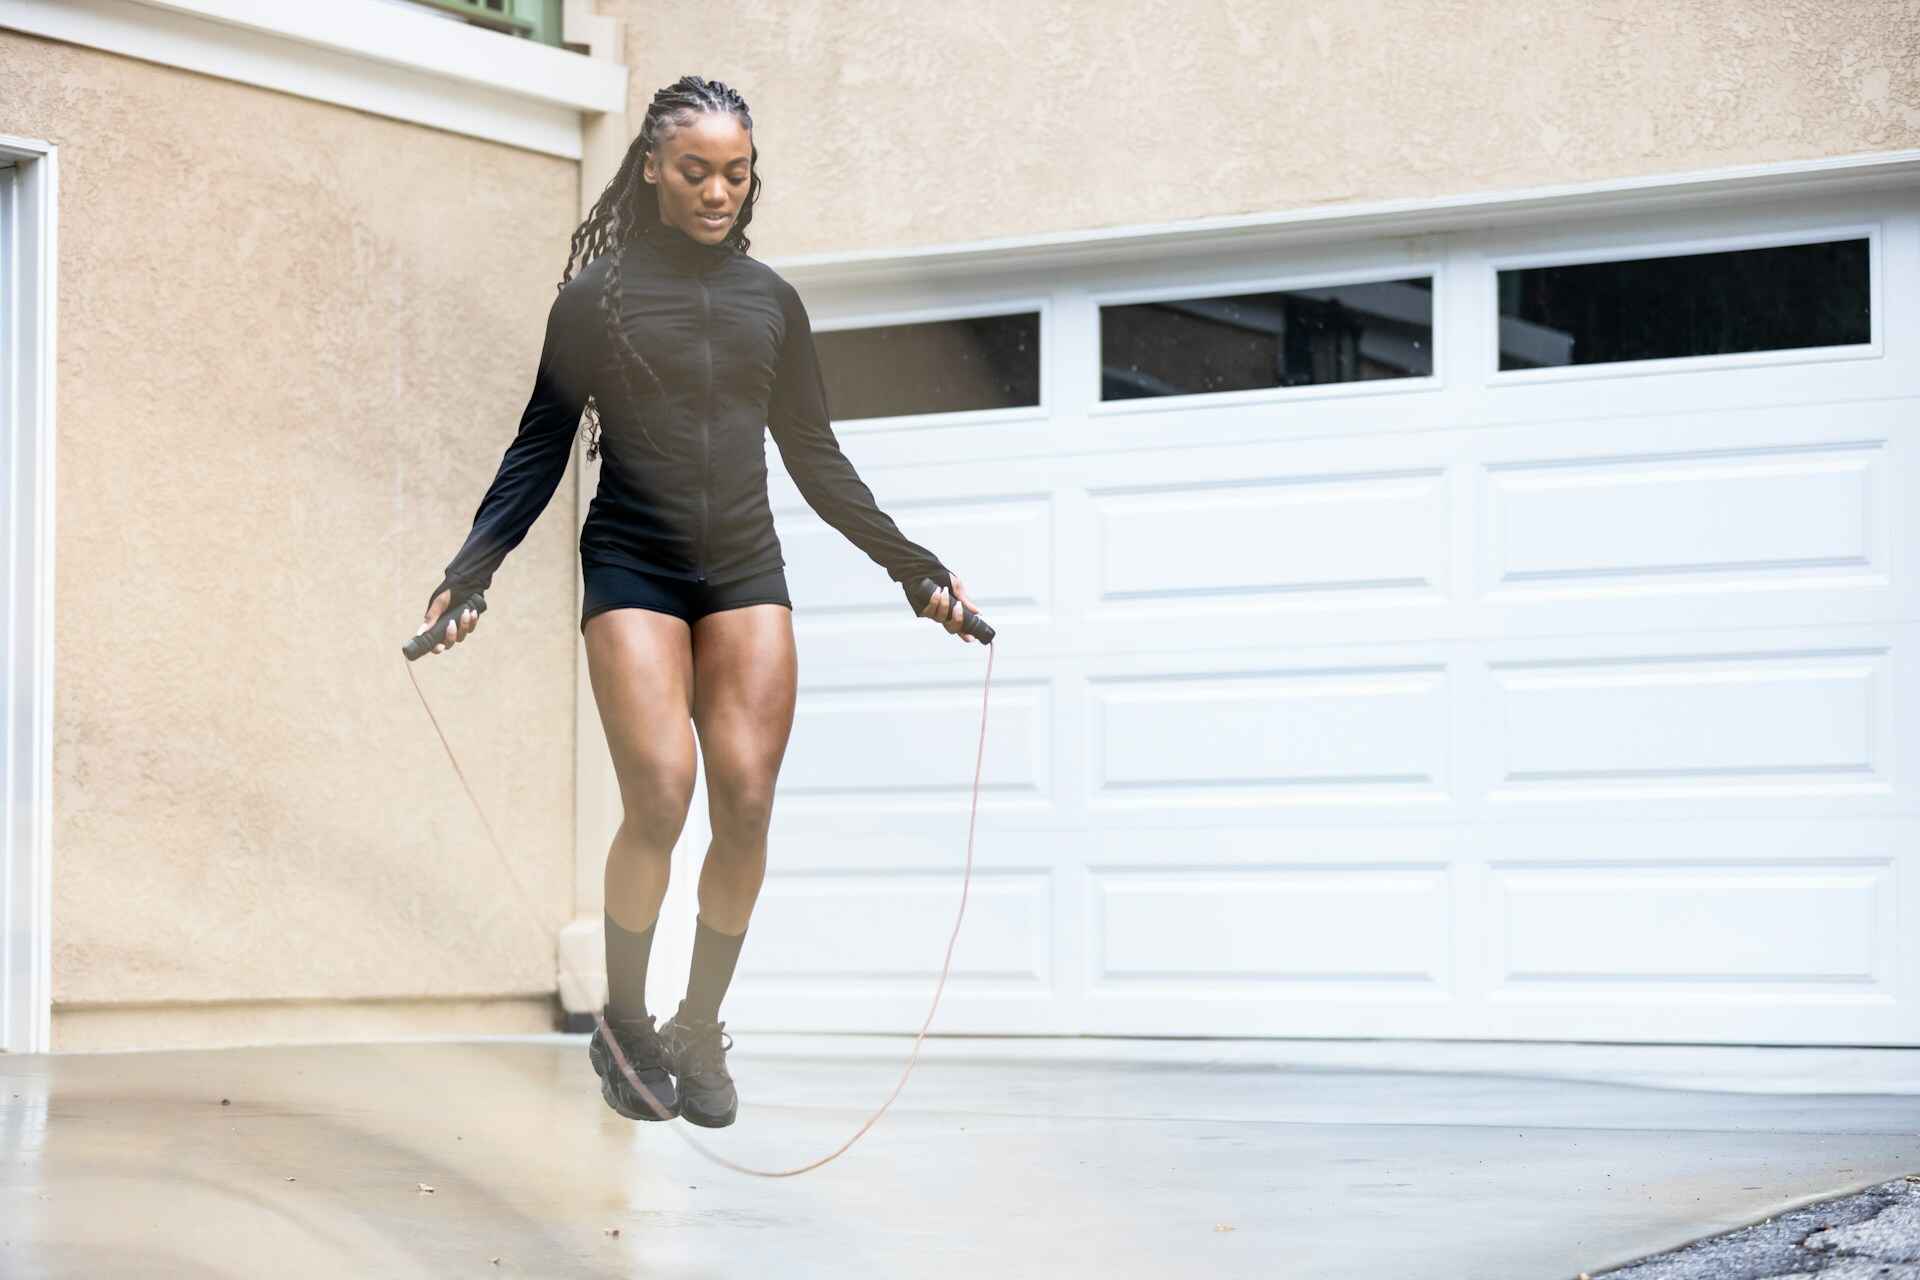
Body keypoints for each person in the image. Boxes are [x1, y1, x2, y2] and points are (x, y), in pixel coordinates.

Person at [412, 75, 982, 1128]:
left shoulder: (772, 302)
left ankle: (695, 1024)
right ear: (652, 170)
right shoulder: (595, 302)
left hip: (742, 569)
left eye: (737, 172)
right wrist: (473, 567)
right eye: (697, 172)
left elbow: (812, 453)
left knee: (748, 799)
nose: (720, 191)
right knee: (663, 792)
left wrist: (912, 566)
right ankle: (624, 1022)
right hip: (634, 564)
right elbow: (540, 445)